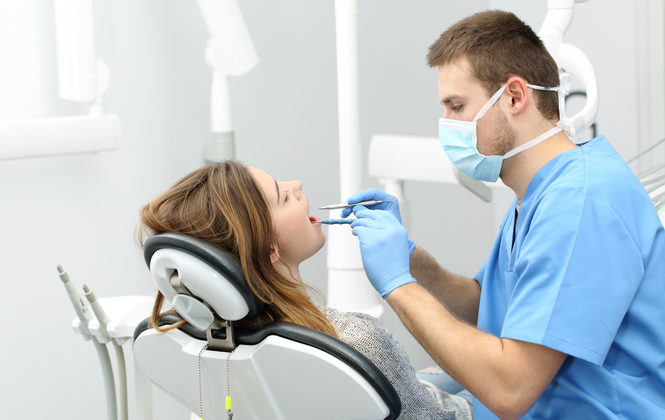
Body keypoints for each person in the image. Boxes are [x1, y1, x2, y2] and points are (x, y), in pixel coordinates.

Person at [342, 10, 665, 420]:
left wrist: (398, 285)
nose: (447, 124)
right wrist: (409, 258)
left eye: (457, 106)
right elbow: (490, 306)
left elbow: (509, 388)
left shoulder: (580, 203)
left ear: (514, 96)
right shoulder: (539, 195)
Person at [135, 160, 472, 420]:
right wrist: (398, 280)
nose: (296, 185)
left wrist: (408, 254)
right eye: (284, 196)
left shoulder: (212, 343)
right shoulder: (356, 341)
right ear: (270, 251)